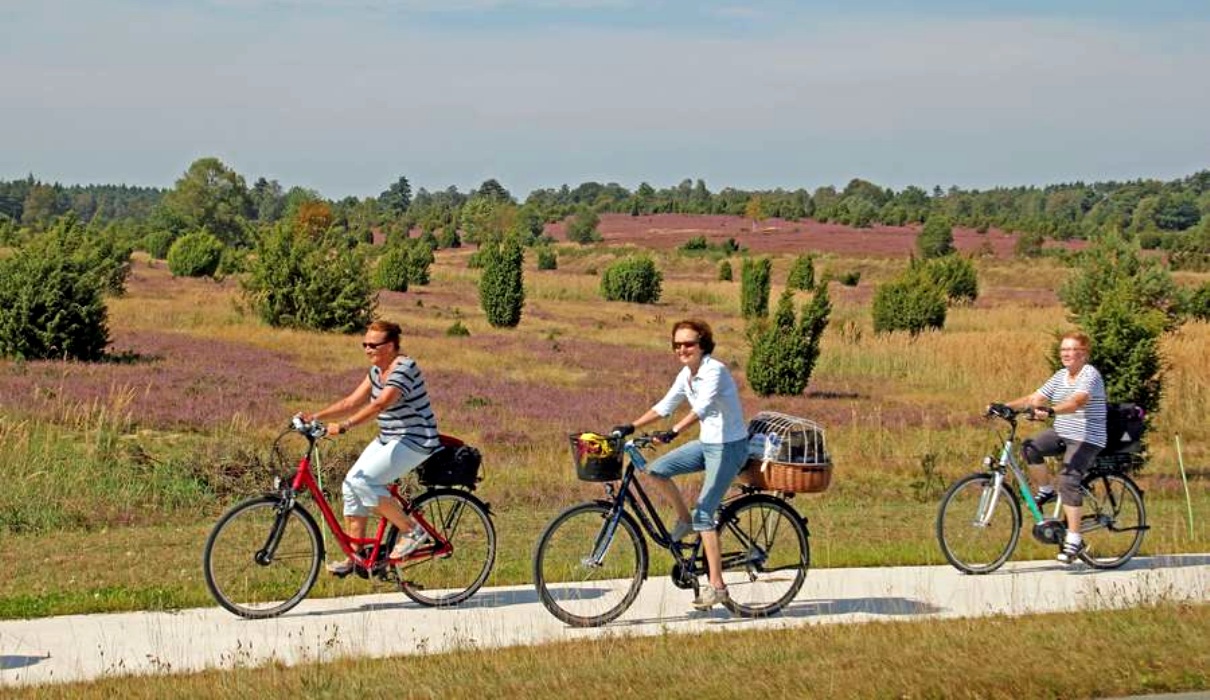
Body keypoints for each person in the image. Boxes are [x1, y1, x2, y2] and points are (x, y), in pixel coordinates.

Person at [613, 319, 748, 610]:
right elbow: (665, 406)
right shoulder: (686, 375)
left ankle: (717, 586)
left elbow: (702, 409)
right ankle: (684, 520)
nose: (682, 349)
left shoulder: (715, 371)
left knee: (705, 513)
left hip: (729, 447)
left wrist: (673, 432)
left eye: (688, 344)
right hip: (707, 443)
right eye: (677, 345)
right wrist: (631, 426)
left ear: (703, 345)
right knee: (657, 470)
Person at [302, 320, 440, 575]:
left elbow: (381, 404)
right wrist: (315, 417)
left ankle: (412, 530)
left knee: (364, 482)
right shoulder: (376, 371)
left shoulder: (404, 368)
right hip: (390, 437)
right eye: (364, 344)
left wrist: (343, 426)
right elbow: (352, 401)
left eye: (373, 345)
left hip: (416, 439)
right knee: (350, 484)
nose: (367, 349)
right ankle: (357, 556)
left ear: (390, 346)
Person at [998, 331, 1107, 564]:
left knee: (1068, 480)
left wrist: (1051, 411)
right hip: (1063, 432)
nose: (1066, 354)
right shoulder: (1060, 376)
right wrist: (1004, 406)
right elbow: (1035, 397)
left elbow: (1077, 402)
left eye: (1072, 350)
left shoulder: (1090, 374)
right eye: (1063, 350)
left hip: (1087, 437)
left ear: (1084, 354)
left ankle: (1074, 539)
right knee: (1030, 447)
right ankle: (1046, 490)